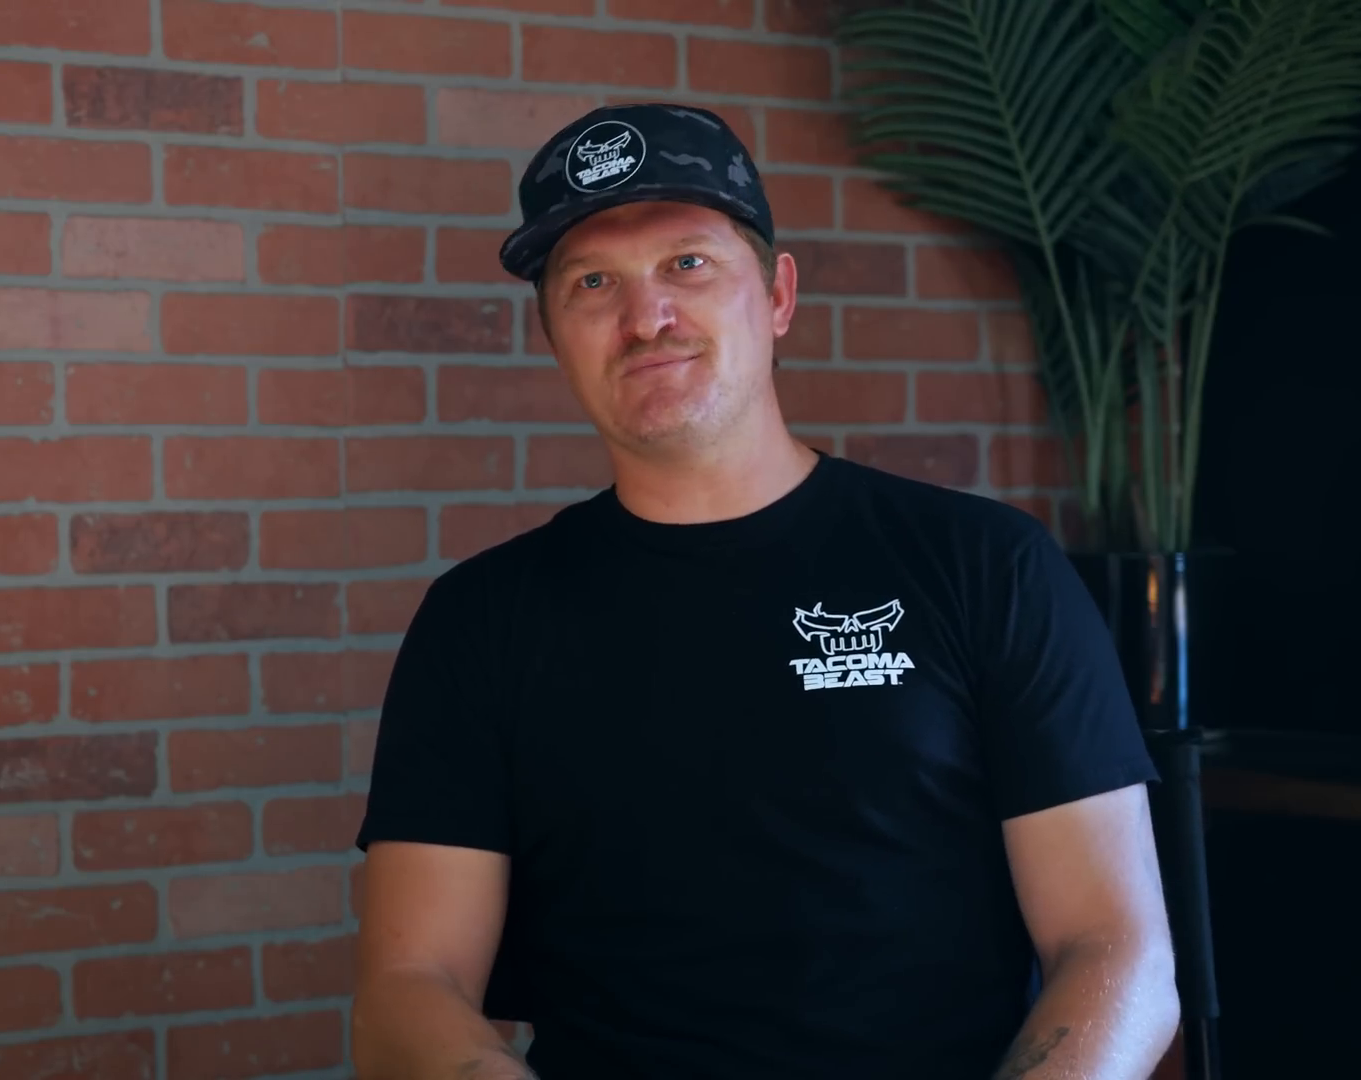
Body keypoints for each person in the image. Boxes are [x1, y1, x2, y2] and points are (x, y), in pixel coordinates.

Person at [349, 102, 1180, 1080]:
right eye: (592, 283)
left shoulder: (984, 566)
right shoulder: (482, 620)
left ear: (778, 295)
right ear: (554, 337)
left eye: (688, 265)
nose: (645, 316)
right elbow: (411, 986)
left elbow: (1118, 951)